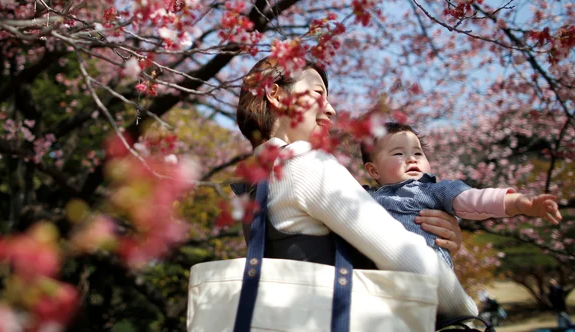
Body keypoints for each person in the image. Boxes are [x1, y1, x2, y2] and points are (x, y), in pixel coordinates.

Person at [235, 57, 478, 319]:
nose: (331, 110)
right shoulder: (302, 159)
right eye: (318, 94)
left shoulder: (254, 180)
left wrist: (435, 242)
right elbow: (403, 255)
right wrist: (468, 311)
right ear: (276, 95)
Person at [361, 122, 562, 267]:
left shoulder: (433, 190)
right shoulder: (365, 198)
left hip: (428, 266)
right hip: (384, 269)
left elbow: (475, 199)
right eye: (398, 154)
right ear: (374, 171)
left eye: (418, 153)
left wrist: (519, 202)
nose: (411, 159)